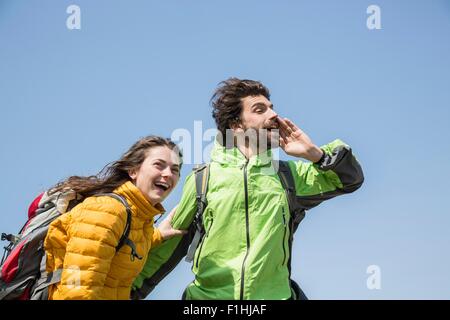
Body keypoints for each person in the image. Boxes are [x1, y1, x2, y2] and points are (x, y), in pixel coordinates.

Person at [132, 78, 365, 300]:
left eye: (272, 108)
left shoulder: (289, 177)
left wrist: (314, 153)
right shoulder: (204, 179)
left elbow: (349, 179)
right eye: (259, 109)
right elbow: (165, 252)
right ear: (236, 125)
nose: (274, 115)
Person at [43, 135, 186, 300]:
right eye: (158, 165)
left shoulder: (139, 219)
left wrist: (157, 235)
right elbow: (77, 291)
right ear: (133, 171)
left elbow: (119, 245)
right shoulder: (107, 211)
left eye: (175, 170)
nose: (168, 174)